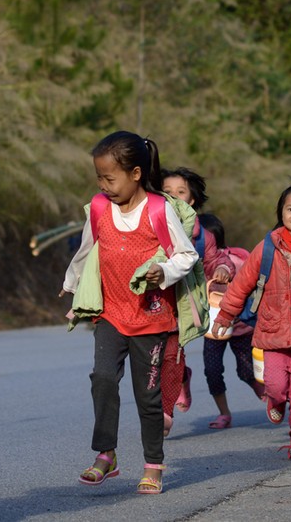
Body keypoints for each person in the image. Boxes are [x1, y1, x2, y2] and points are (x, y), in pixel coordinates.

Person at [61, 131, 198, 495]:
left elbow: (185, 255)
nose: (104, 185)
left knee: (148, 396)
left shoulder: (157, 209)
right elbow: (89, 249)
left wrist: (163, 272)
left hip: (151, 317)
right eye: (99, 178)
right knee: (103, 379)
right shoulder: (99, 208)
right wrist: (72, 285)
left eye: (110, 178)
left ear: (136, 173)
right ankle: (106, 454)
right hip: (111, 313)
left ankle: (153, 464)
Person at [210, 184, 291, 461]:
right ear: (281, 212)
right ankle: (275, 400)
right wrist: (225, 314)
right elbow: (242, 283)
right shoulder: (268, 247)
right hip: (272, 332)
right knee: (275, 385)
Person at [159, 167, 234, 435]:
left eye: (181, 193)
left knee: (173, 352)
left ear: (191, 202)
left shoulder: (203, 236)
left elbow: (218, 258)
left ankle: (165, 413)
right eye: (167, 193)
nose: (174, 197)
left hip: (187, 302)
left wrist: (224, 268)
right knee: (157, 359)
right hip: (156, 301)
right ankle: (182, 379)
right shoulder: (150, 226)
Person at [198, 213, 265, 430]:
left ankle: (267, 394)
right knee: (212, 370)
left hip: (240, 328)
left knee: (246, 371)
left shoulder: (234, 262)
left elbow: (251, 288)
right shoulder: (193, 267)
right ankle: (224, 413)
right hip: (213, 330)